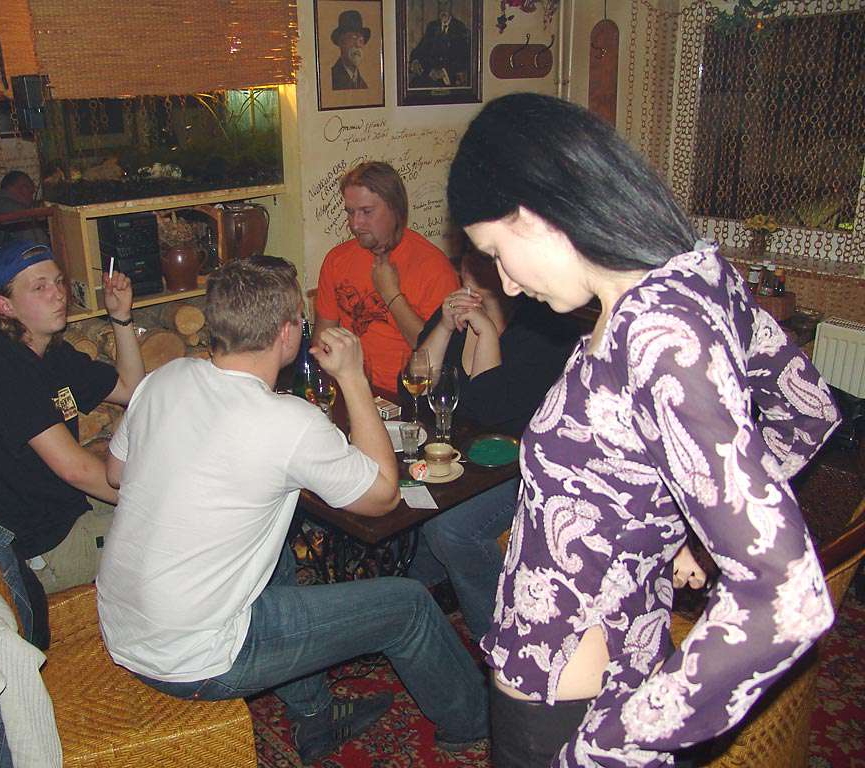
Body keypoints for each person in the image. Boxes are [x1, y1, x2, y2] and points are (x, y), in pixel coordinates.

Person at [447, 92, 841, 768]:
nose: (505, 284)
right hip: (621, 644)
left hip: (568, 686)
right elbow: (806, 410)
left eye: (497, 253)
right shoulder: (699, 276)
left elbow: (785, 594)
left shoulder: (653, 332)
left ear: (537, 215)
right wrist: (698, 527)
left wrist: (617, 742)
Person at [97, 256, 488, 763]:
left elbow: (115, 473)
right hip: (196, 657)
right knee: (408, 605)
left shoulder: (164, 379)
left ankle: (315, 717)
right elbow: (383, 497)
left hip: (124, 624)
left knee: (278, 553)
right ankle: (474, 722)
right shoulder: (289, 421)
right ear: (288, 333)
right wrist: (353, 378)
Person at [0, 241, 143, 647]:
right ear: (5, 306)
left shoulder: (47, 351)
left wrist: (120, 317)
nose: (58, 294)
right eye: (39, 287)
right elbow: (76, 469)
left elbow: (131, 389)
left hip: (64, 510)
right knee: (187, 536)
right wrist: (156, 501)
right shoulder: (0, 366)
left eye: (58, 282)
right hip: (46, 546)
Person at [407, 245, 581, 640]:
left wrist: (485, 331)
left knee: (451, 528)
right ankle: (414, 596)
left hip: (527, 463)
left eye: (488, 259)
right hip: (462, 453)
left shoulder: (545, 329)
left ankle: (500, 635)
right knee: (407, 491)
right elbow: (413, 384)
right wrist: (444, 327)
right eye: (470, 256)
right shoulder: (454, 310)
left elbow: (490, 411)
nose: (474, 268)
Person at [314, 161, 459, 391]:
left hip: (408, 394)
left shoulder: (434, 269)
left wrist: (391, 294)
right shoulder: (337, 259)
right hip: (350, 387)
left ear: (396, 209)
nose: (355, 224)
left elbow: (435, 355)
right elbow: (322, 341)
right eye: (350, 212)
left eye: (366, 212)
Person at [409, 0, 471, 88]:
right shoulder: (432, 26)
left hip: (450, 79)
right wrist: (415, 60)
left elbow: (463, 59)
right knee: (413, 86)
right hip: (430, 76)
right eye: (441, 4)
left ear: (451, 6)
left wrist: (444, 72)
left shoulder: (459, 28)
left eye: (446, 4)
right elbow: (420, 49)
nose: (443, 9)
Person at [330, 9, 369, 90]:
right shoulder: (331, 79)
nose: (357, 45)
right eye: (352, 38)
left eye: (361, 40)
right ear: (341, 41)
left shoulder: (363, 85)